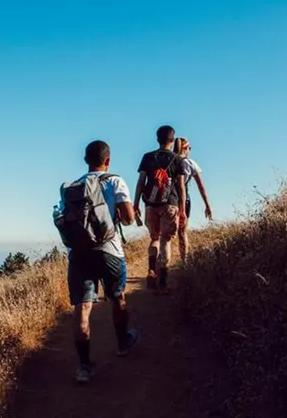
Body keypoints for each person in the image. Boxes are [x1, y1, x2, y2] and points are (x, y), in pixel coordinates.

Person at [56, 140, 140, 384]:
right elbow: (127, 219)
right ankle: (123, 342)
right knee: (117, 297)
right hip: (109, 251)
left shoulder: (73, 188)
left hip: (80, 253)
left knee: (82, 309)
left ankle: (84, 367)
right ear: (108, 160)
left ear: (85, 160)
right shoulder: (115, 181)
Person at [133, 125, 189, 294]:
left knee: (154, 238)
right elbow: (180, 186)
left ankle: (151, 269)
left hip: (150, 203)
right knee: (166, 240)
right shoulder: (178, 159)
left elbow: (141, 182)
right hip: (170, 203)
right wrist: (183, 209)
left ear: (157, 139)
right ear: (172, 141)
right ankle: (163, 283)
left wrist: (136, 204)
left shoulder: (147, 157)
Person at [173, 137, 213, 263]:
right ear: (185, 148)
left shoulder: (170, 160)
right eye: (189, 148)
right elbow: (201, 187)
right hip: (184, 200)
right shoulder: (190, 163)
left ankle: (162, 264)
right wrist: (207, 205)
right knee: (182, 232)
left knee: (165, 234)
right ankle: (185, 261)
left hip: (169, 200)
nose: (190, 150)